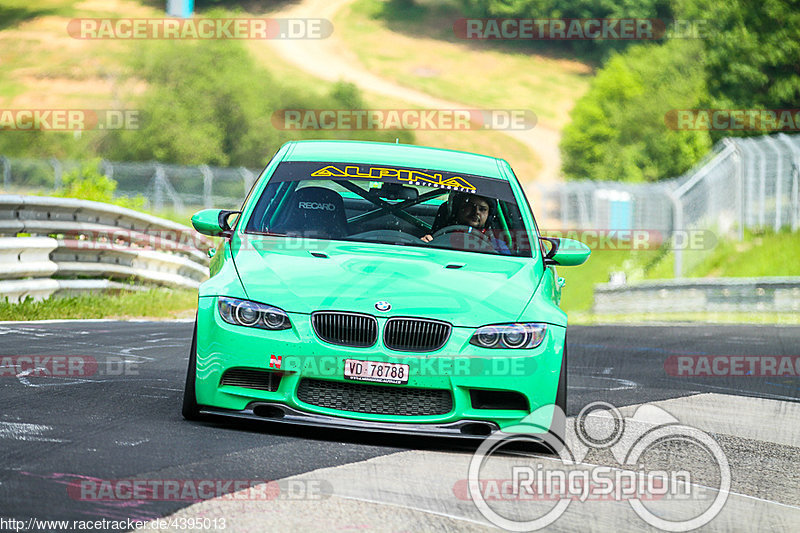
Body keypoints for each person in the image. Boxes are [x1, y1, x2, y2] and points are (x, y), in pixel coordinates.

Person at [421, 193, 511, 254]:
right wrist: (422, 245)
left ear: (489, 216)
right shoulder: (433, 239)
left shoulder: (497, 246)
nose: (476, 212)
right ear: (458, 209)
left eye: (482, 209)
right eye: (470, 206)